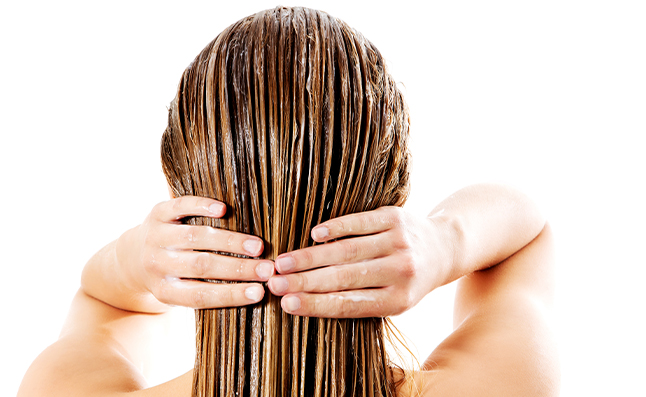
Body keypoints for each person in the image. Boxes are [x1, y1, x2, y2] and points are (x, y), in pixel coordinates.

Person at [18, 6, 559, 397]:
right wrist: (447, 242)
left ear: (180, 192)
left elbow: (103, 302)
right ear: (393, 200)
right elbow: (527, 230)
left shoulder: (61, 391)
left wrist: (132, 259)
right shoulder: (500, 387)